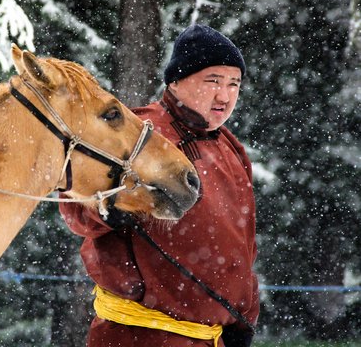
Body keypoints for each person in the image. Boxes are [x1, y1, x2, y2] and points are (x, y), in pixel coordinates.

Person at [60, 24, 259, 347]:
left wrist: (243, 316)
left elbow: (245, 244)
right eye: (213, 81)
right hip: (139, 337)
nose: (225, 95)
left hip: (213, 340)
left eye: (233, 84)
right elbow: (72, 204)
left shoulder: (231, 148)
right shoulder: (140, 133)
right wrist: (109, 209)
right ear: (176, 81)